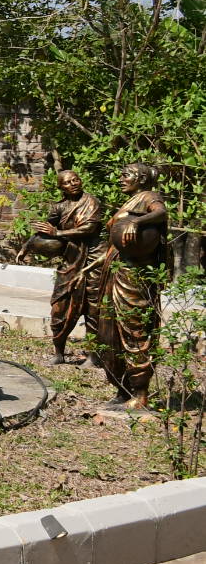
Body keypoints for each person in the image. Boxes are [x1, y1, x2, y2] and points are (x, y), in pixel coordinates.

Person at [93, 163, 168, 410]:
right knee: (110, 330)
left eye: (126, 175)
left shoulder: (149, 197)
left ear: (142, 179)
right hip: (117, 272)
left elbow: (161, 212)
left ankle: (140, 393)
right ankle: (122, 388)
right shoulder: (132, 200)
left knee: (134, 329)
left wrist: (138, 222)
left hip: (134, 276)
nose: (120, 179)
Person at [30, 170, 104, 365]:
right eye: (67, 182)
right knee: (59, 307)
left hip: (92, 260)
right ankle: (59, 352)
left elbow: (89, 228)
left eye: (75, 180)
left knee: (92, 309)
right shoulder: (59, 207)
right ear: (61, 187)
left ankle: (93, 355)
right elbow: (45, 229)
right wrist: (26, 246)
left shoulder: (92, 202)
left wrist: (59, 232)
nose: (73, 184)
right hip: (70, 262)